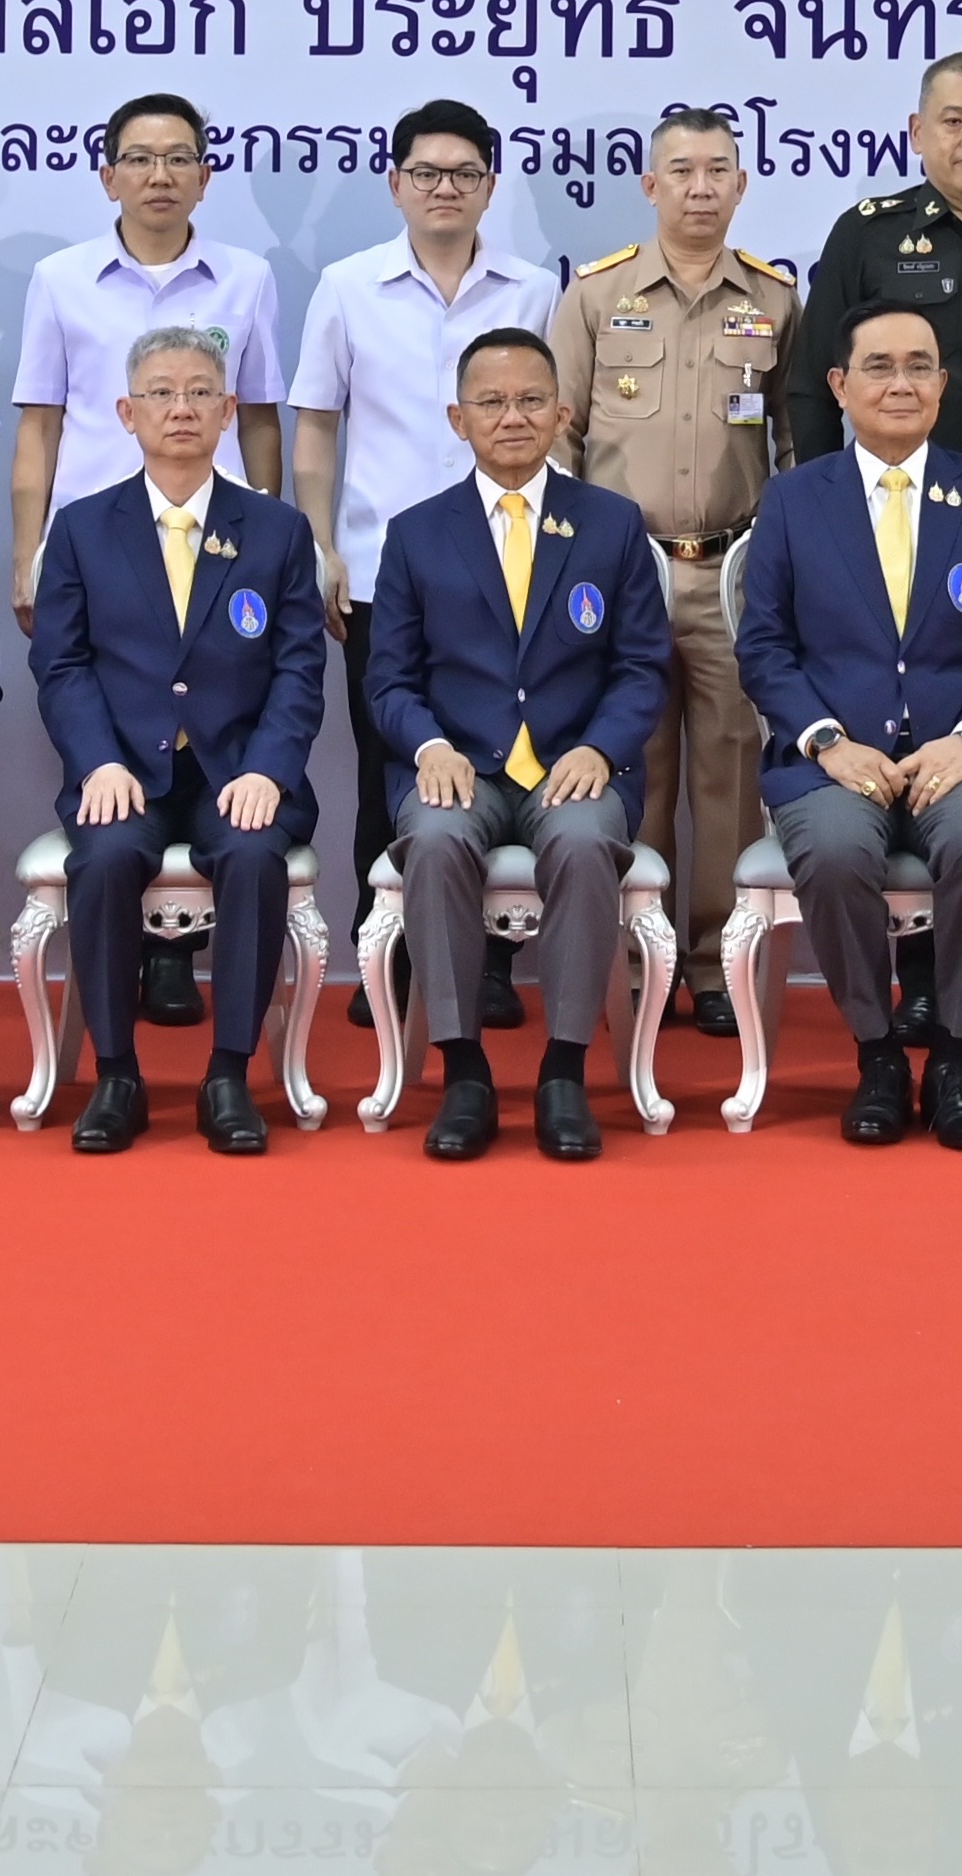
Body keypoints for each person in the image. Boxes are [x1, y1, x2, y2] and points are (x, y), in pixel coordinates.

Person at [740, 304, 962, 1151]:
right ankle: (877, 1052)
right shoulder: (795, 497)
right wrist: (827, 741)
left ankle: (955, 1054)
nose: (901, 382)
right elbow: (764, 647)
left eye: (920, 365)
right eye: (878, 366)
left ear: (944, 385)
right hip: (835, 757)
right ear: (839, 385)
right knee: (839, 850)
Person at [8, 93, 288, 1025]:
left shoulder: (247, 278)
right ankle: (117, 1034)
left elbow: (262, 420)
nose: (160, 175)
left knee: (217, 735)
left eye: (179, 158)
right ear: (108, 174)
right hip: (100, 548)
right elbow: (39, 425)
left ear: (207, 174)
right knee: (115, 747)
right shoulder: (59, 278)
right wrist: (28, 549)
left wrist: (276, 530)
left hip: (221, 539)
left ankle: (183, 967)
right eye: (140, 157)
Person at [362, 325, 670, 1163]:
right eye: (490, 403)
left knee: (580, 841)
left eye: (531, 399)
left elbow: (643, 666)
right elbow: (388, 680)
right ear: (457, 419)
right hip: (457, 767)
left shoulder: (611, 525)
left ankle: (563, 1072)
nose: (512, 417)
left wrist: (603, 750)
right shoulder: (417, 532)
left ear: (562, 411)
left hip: (575, 768)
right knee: (430, 837)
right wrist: (427, 746)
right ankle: (464, 1071)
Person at [32, 327, 331, 1156]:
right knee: (102, 857)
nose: (182, 408)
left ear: (230, 409)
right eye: (161, 392)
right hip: (121, 768)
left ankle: (228, 1071)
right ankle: (116, 1071)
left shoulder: (275, 531)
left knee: (251, 852)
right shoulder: (83, 528)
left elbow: (300, 668)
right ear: (126, 413)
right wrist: (95, 759)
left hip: (236, 769)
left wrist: (271, 768)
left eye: (201, 391)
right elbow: (59, 665)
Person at [540, 106, 800, 1038]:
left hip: (732, 570)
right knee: (630, 766)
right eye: (680, 171)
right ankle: (634, 955)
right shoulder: (597, 296)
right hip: (623, 574)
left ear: (740, 185)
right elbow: (553, 435)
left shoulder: (774, 300)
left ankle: (710, 963)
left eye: (717, 171)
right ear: (649, 186)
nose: (699, 188)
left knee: (729, 771)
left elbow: (797, 447)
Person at [291, 97, 558, 988]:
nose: (446, 188)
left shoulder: (534, 289)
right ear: (395, 182)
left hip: (511, 567)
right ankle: (392, 960)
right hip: (380, 571)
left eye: (465, 173)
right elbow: (318, 428)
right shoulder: (347, 285)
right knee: (391, 765)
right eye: (427, 173)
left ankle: (485, 967)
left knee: (500, 755)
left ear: (490, 184)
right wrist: (321, 544)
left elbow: (555, 427)